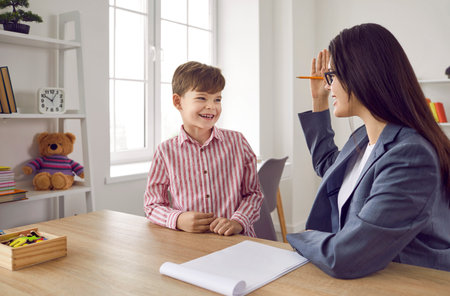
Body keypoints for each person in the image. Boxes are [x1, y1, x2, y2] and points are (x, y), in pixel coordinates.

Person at [287, 23, 450, 279]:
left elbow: (348, 256)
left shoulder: (411, 156)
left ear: (360, 74)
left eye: (331, 77)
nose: (328, 86)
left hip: (406, 285)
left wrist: (297, 237)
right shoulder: (365, 137)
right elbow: (329, 167)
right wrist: (318, 103)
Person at [144, 61, 263, 237]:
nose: (212, 106)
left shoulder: (238, 142)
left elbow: (253, 194)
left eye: (217, 99)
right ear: (178, 102)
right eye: (202, 98)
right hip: (189, 245)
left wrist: (238, 221)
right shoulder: (165, 151)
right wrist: (178, 219)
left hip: (236, 242)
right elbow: (152, 205)